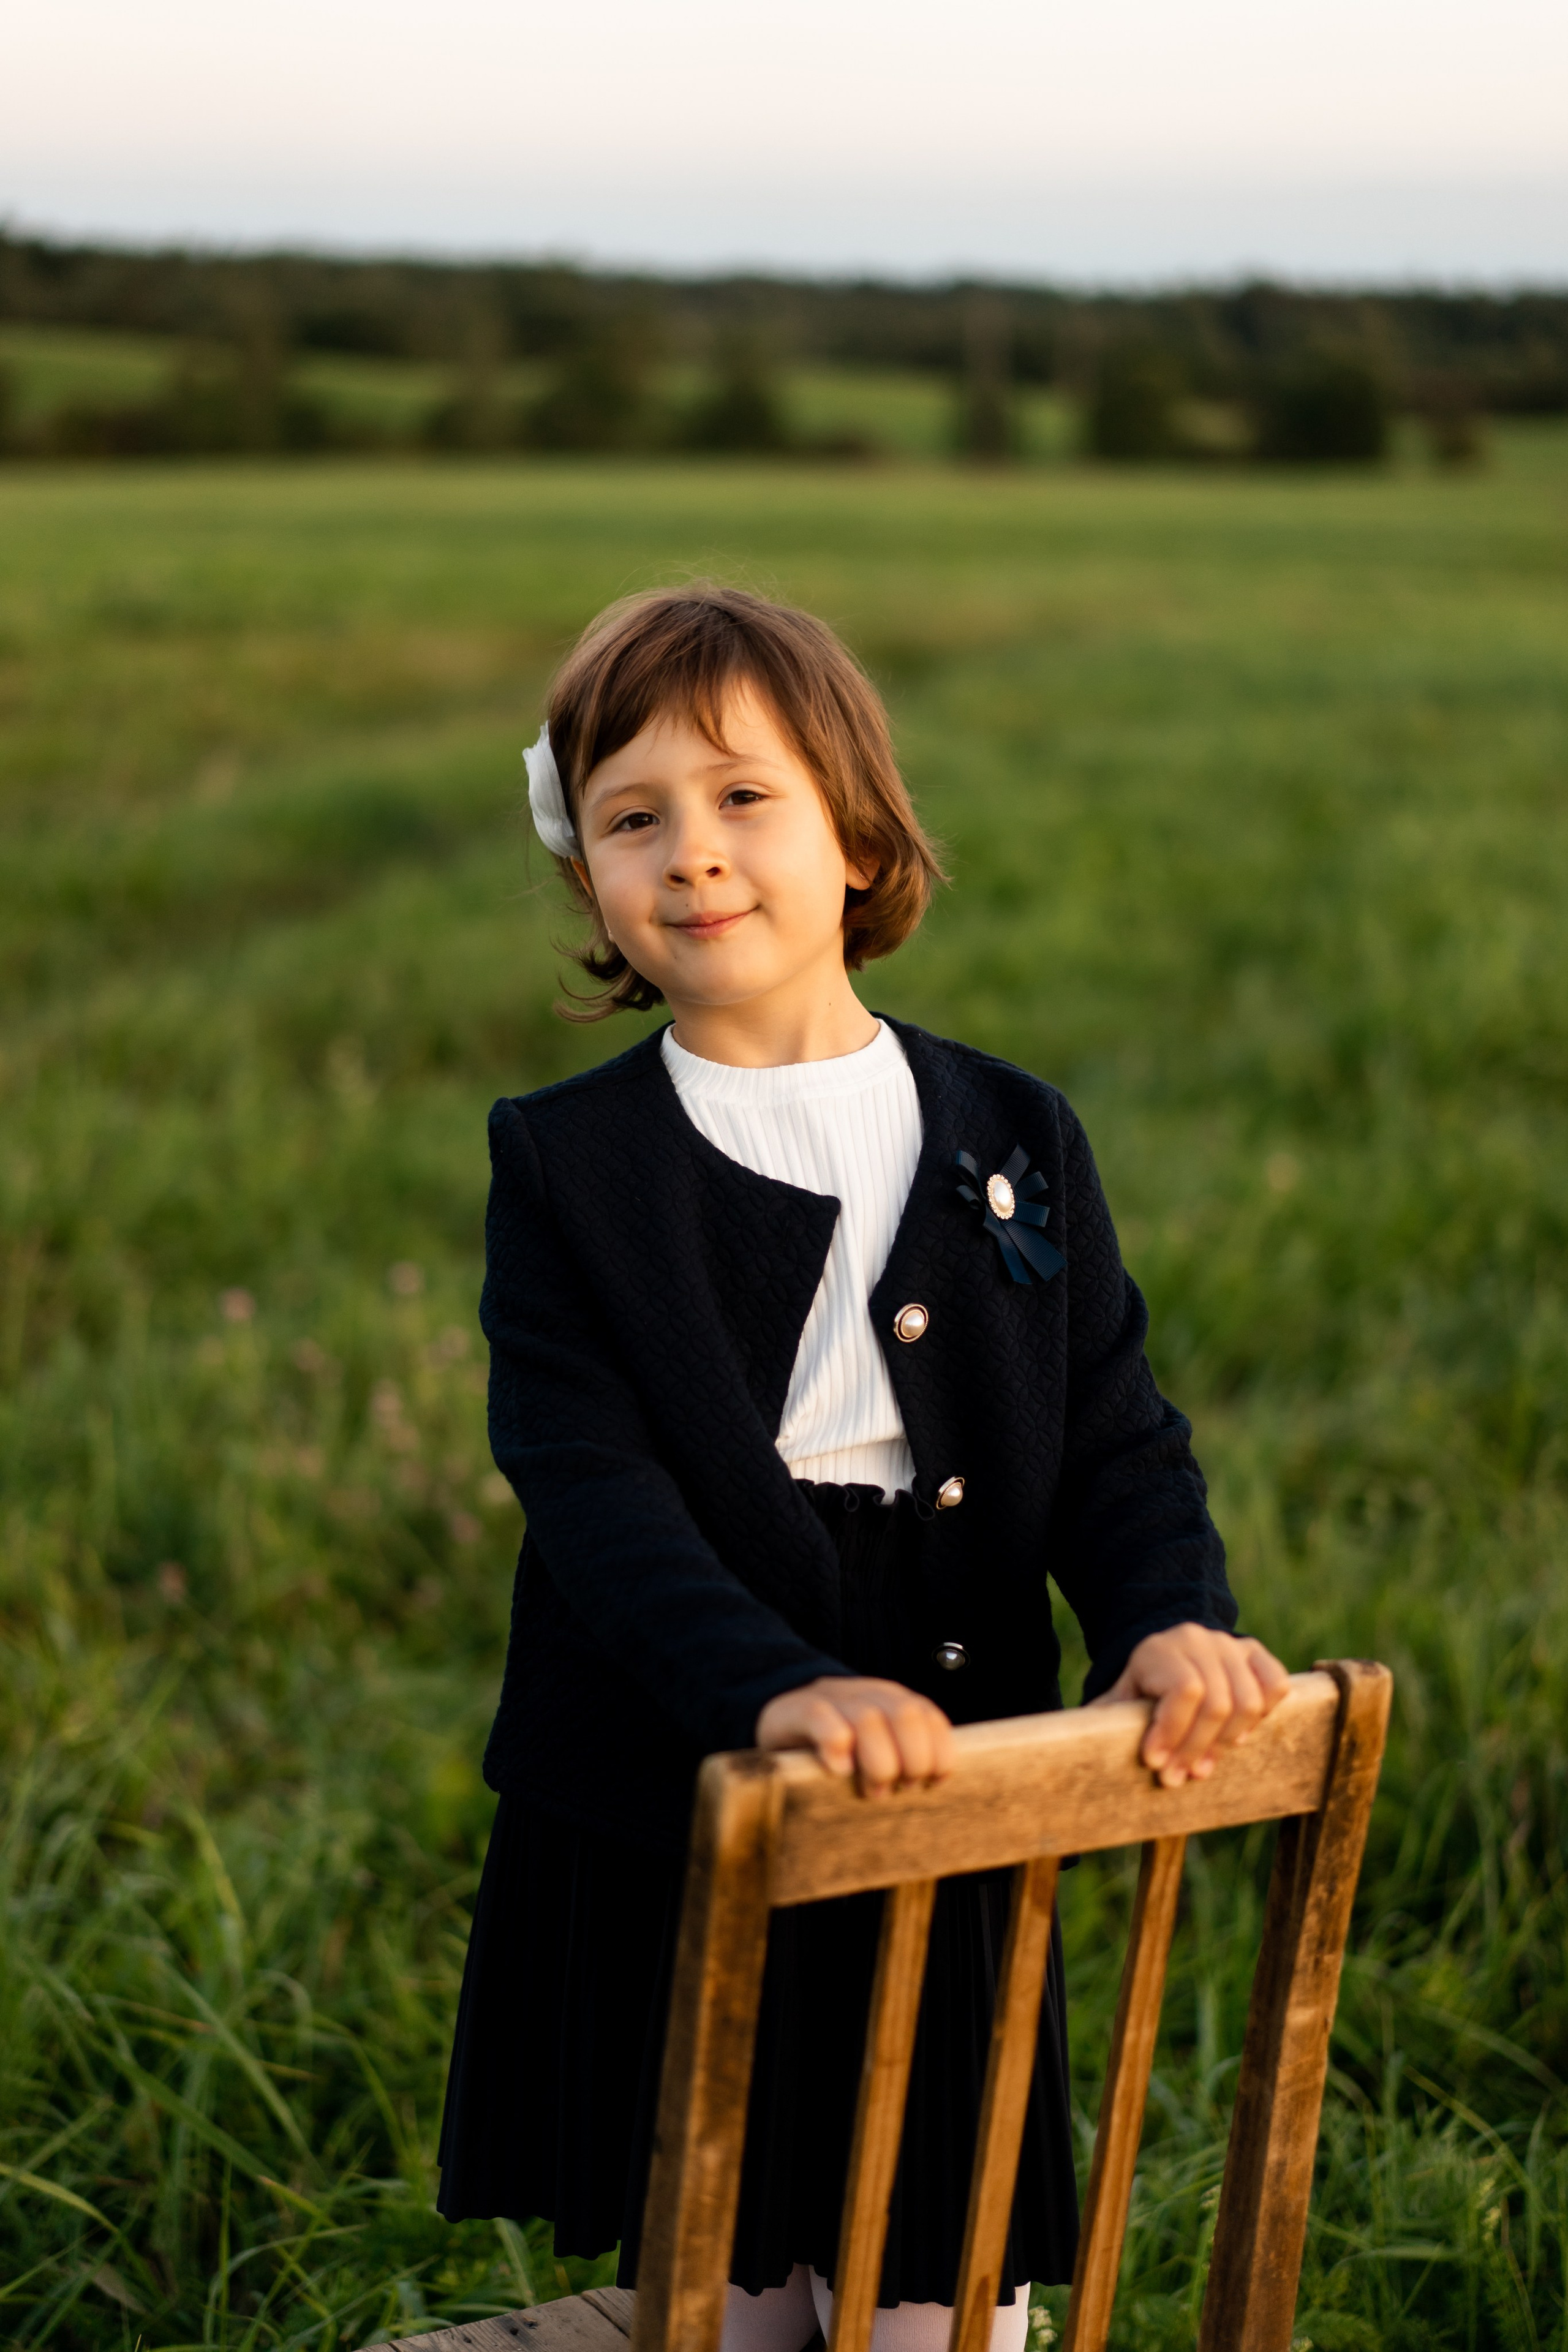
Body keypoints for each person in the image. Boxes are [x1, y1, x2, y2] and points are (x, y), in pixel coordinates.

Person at [436, 585, 1289, 2352]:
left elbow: (1115, 1429)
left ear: (859, 830)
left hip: (954, 1717)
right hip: (686, 1734)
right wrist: (776, 1688)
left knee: (934, 2262)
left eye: (744, 797)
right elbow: (590, 1489)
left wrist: (1169, 1621)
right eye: (630, 815)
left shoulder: (1010, 1127)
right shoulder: (567, 1162)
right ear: (584, 870)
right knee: (731, 2257)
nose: (692, 853)